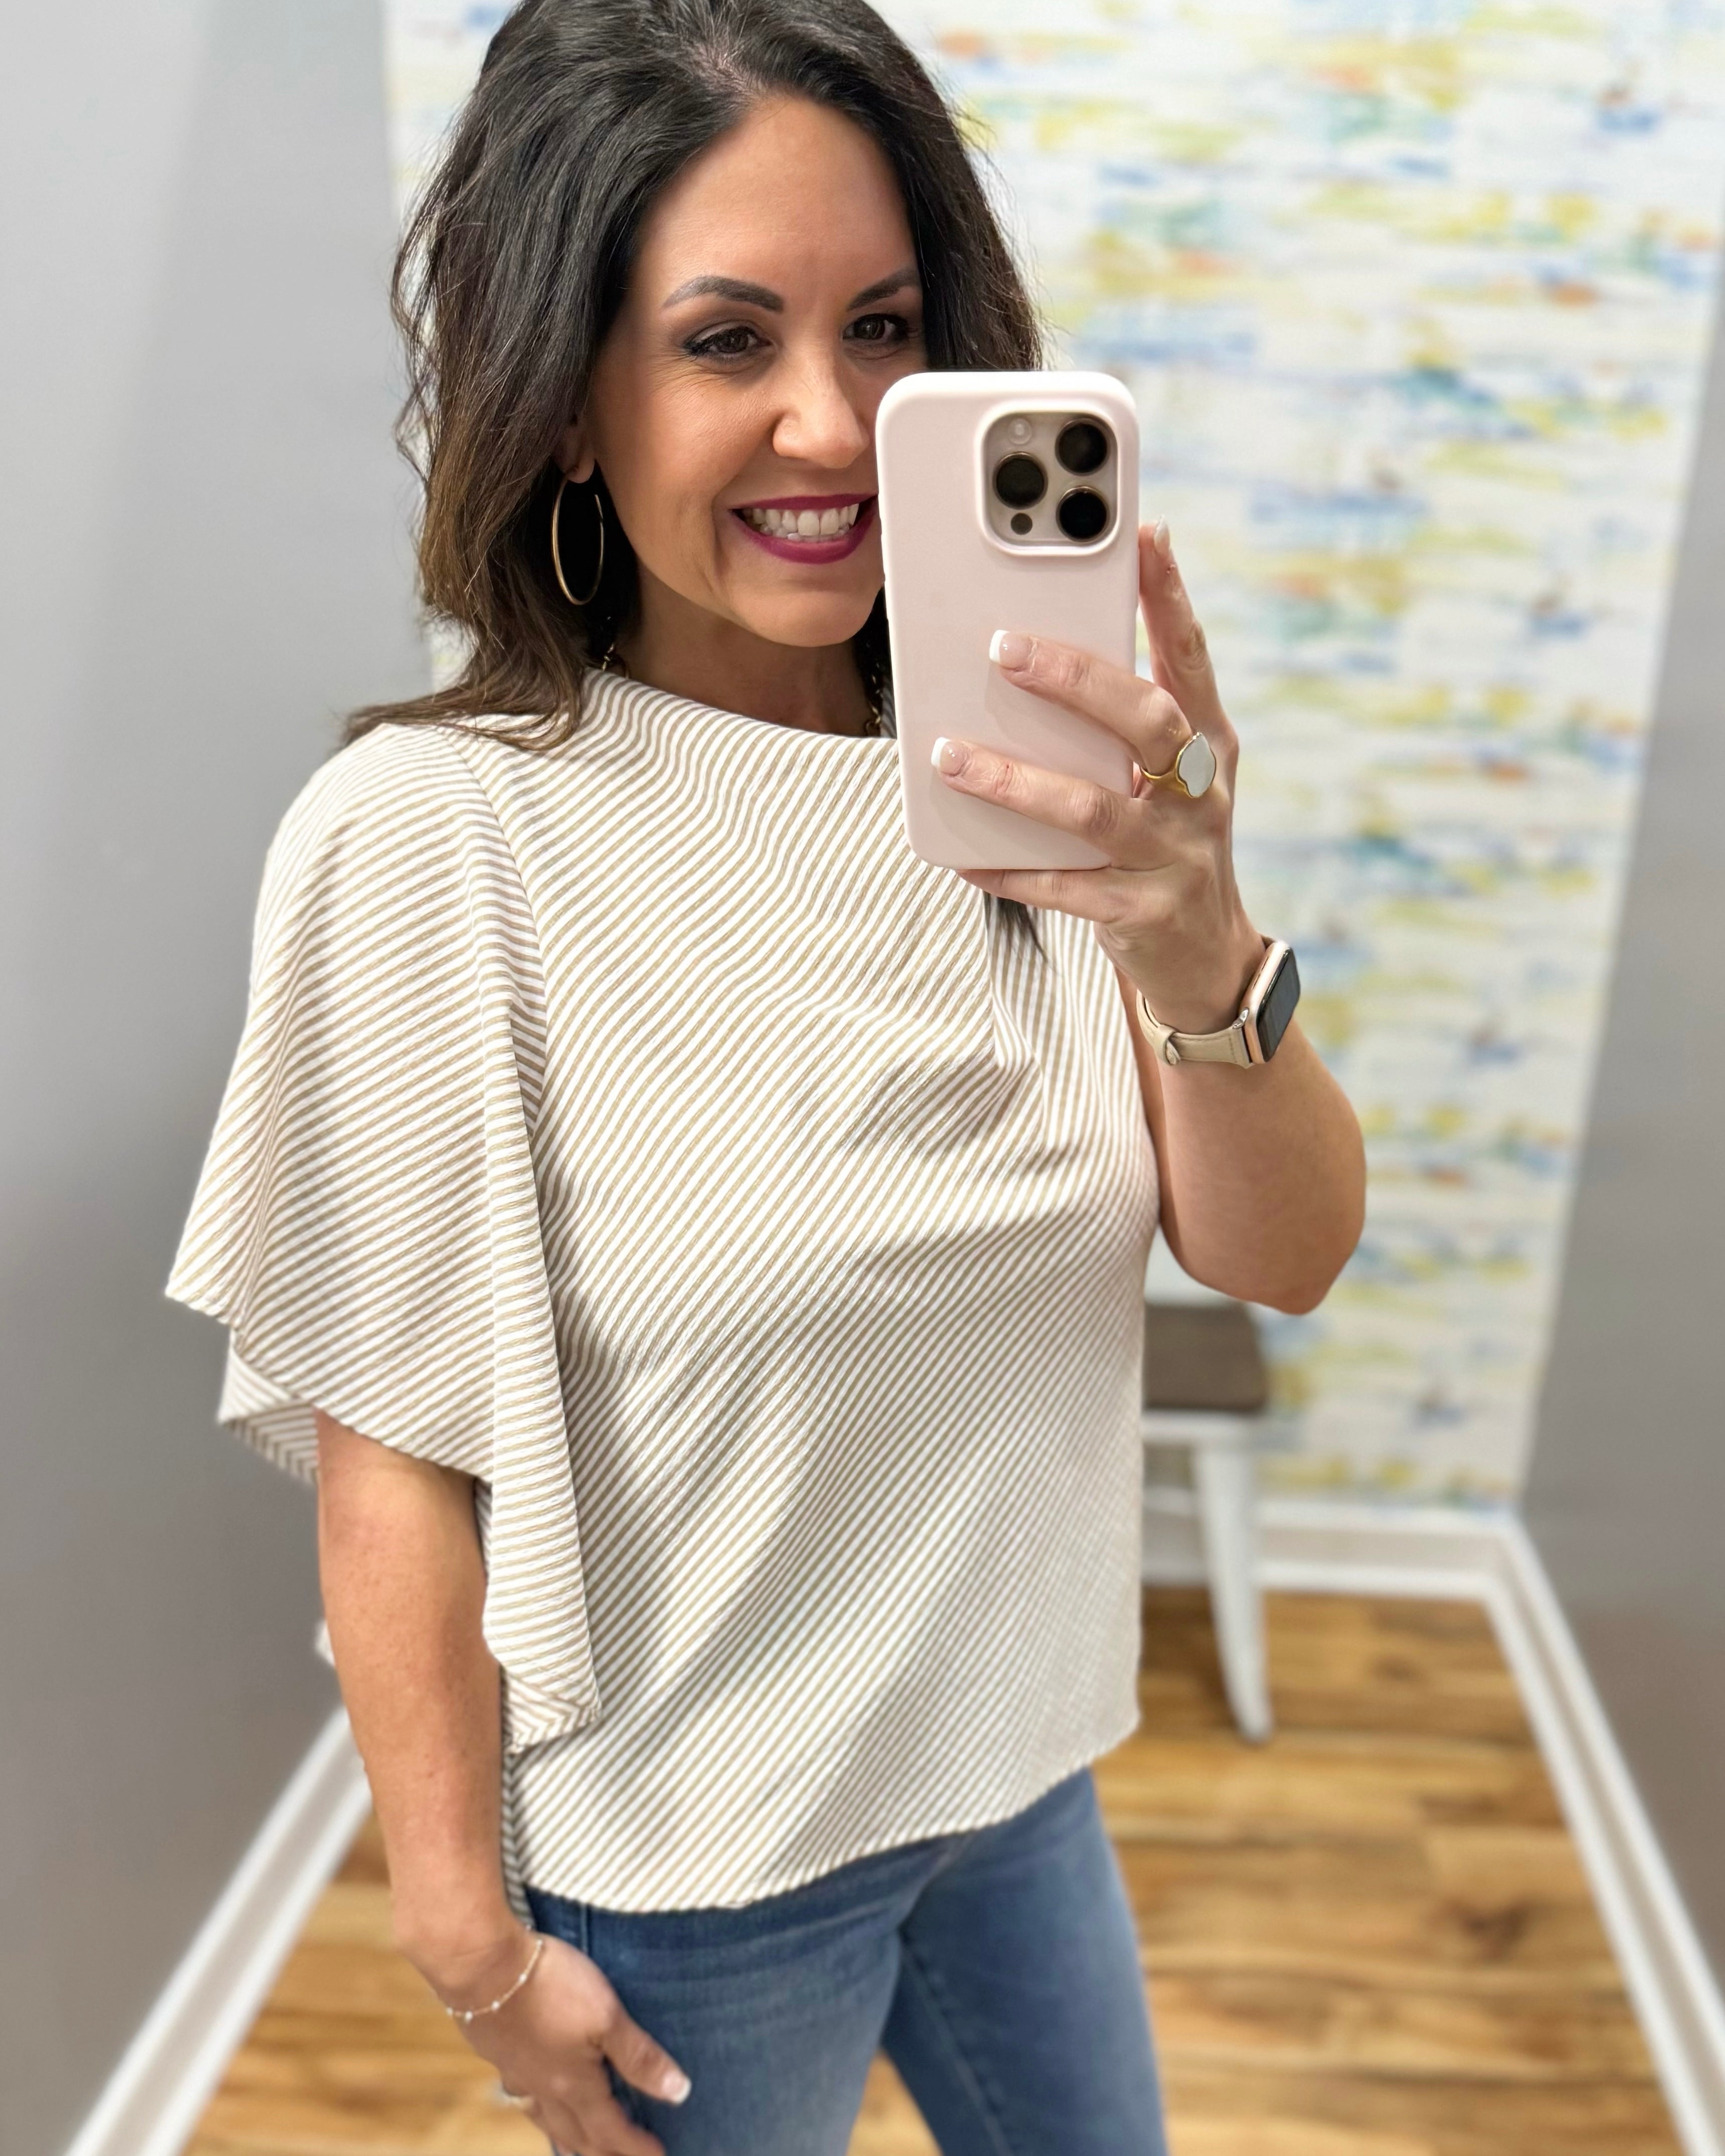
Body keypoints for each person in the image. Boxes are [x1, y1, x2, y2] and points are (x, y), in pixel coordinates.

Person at [168, 1, 1365, 2150]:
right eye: (727, 341)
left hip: (1016, 1780)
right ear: (562, 401)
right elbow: (394, 1452)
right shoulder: (439, 837)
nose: (830, 423)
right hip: (701, 1865)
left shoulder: (1022, 781)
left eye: (885, 327)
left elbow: (1278, 1257)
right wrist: (470, 1944)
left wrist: (1192, 918)